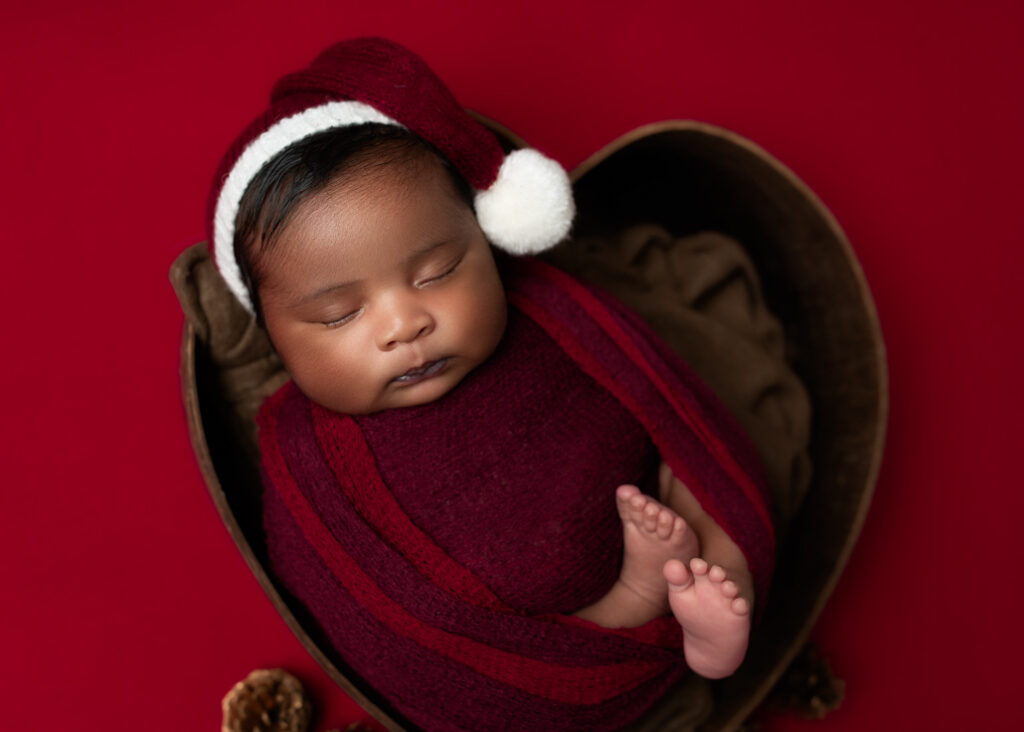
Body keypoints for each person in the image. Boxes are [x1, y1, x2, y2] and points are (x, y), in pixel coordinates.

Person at [207, 37, 774, 729]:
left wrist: (690, 476)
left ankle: (722, 589)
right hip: (561, 644)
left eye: (437, 271)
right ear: (273, 336)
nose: (404, 323)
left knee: (696, 465)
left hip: (647, 496)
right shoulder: (307, 461)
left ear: (488, 239)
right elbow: (386, 627)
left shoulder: (550, 313)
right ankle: (635, 601)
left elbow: (664, 397)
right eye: (339, 313)